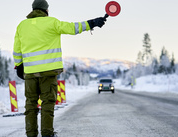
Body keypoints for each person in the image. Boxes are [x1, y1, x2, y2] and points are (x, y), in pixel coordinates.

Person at [13, 0, 108, 136]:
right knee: (47, 103)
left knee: (30, 104)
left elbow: (16, 50)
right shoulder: (52, 22)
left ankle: (31, 134)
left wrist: (19, 66)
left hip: (30, 73)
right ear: (46, 10)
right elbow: (72, 28)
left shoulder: (21, 26)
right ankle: (47, 133)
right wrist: (92, 23)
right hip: (48, 72)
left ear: (33, 9)